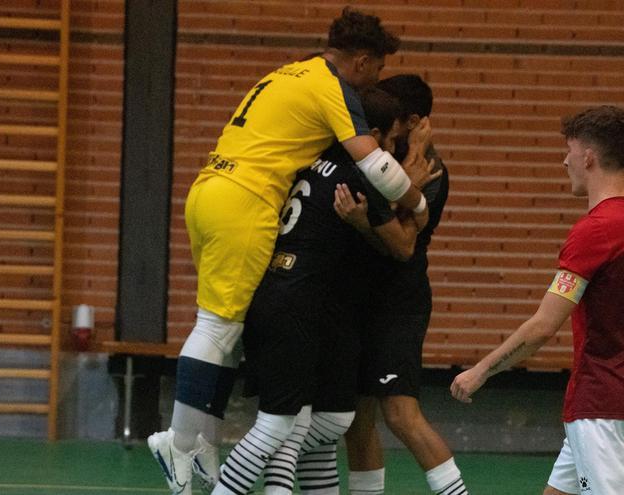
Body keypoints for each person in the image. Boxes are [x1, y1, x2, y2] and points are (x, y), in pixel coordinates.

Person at [147, 8, 433, 495]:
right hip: (246, 200)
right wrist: (418, 199)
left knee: (227, 328)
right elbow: (377, 167)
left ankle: (202, 441)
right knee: (216, 327)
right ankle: (179, 439)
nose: (373, 83)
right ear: (363, 60)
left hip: (210, 190)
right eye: (376, 70)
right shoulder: (331, 86)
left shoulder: (286, 71)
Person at [450, 105, 624, 495]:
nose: (565, 160)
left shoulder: (596, 230)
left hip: (601, 404)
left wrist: (481, 371)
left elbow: (543, 326)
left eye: (569, 151)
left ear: (588, 157)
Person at [216, 88, 430, 495]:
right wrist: (415, 202)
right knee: (281, 428)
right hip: (295, 303)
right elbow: (402, 246)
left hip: (287, 298)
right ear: (376, 133)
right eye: (392, 138)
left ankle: (281, 462)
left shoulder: (306, 161)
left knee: (321, 424)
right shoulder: (363, 171)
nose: (393, 148)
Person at [341, 74, 469, 495]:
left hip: (398, 303)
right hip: (359, 300)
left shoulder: (429, 168)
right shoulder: (377, 157)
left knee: (400, 415)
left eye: (394, 117)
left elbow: (403, 242)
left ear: (413, 121)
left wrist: (373, 214)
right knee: (356, 422)